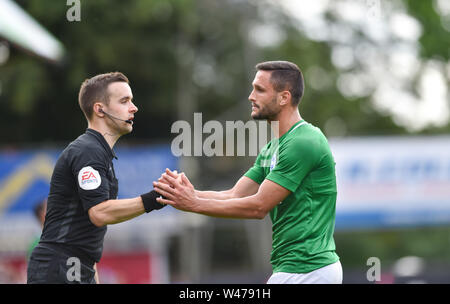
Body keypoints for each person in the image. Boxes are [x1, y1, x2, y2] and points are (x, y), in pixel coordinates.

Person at [154, 61, 342, 284]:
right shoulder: (273, 147)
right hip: (296, 269)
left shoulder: (303, 141)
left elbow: (258, 206)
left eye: (260, 90)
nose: (251, 96)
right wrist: (188, 193)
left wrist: (193, 203)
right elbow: (234, 195)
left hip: (309, 269)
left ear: (284, 97)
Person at [27, 72, 165, 284]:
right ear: (99, 109)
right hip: (59, 268)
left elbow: (86, 239)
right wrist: (156, 198)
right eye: (124, 101)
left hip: (74, 266)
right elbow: (100, 213)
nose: (134, 107)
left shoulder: (99, 152)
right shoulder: (88, 151)